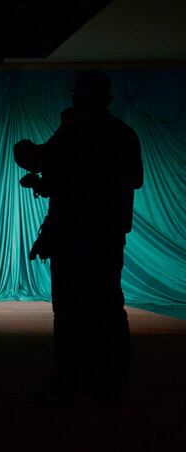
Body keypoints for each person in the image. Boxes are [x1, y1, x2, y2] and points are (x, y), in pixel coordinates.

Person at [14, 71, 143, 405]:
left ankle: (71, 378)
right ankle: (112, 380)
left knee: (71, 310)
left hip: (74, 235)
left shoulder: (73, 132)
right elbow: (133, 179)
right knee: (108, 306)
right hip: (106, 234)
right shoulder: (122, 134)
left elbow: (40, 161)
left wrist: (34, 161)